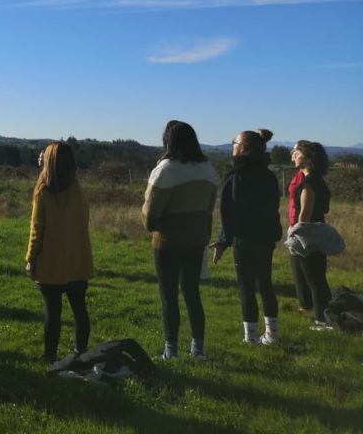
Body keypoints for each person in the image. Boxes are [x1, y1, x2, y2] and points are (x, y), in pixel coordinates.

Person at [141, 120, 218, 359]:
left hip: (168, 242)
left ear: (168, 140)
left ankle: (170, 350)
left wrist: (153, 226)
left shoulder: (165, 169)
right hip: (196, 240)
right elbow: (209, 208)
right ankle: (198, 349)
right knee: (192, 294)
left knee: (169, 297)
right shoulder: (208, 169)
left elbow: (150, 214)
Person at [210, 129, 282, 345]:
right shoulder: (268, 175)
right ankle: (272, 336)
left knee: (246, 288)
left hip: (245, 239)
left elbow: (229, 212)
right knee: (265, 285)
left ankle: (250, 338)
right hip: (266, 238)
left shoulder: (236, 175)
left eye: (235, 142)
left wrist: (224, 241)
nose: (232, 145)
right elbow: (273, 208)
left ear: (242, 148)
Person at [25, 141, 93, 363]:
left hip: (50, 263)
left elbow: (37, 230)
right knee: (79, 310)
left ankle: (50, 355)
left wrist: (30, 259)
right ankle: (80, 353)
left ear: (48, 162)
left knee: (53, 313)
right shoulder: (78, 190)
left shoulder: (42, 192)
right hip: (77, 260)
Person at [288, 140, 333, 330]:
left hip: (307, 235)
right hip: (315, 232)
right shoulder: (316, 180)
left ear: (307, 158)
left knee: (314, 279)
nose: (293, 155)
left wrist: (293, 233)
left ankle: (322, 321)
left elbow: (304, 215)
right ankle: (324, 314)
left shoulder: (309, 183)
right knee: (314, 277)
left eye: (297, 152)